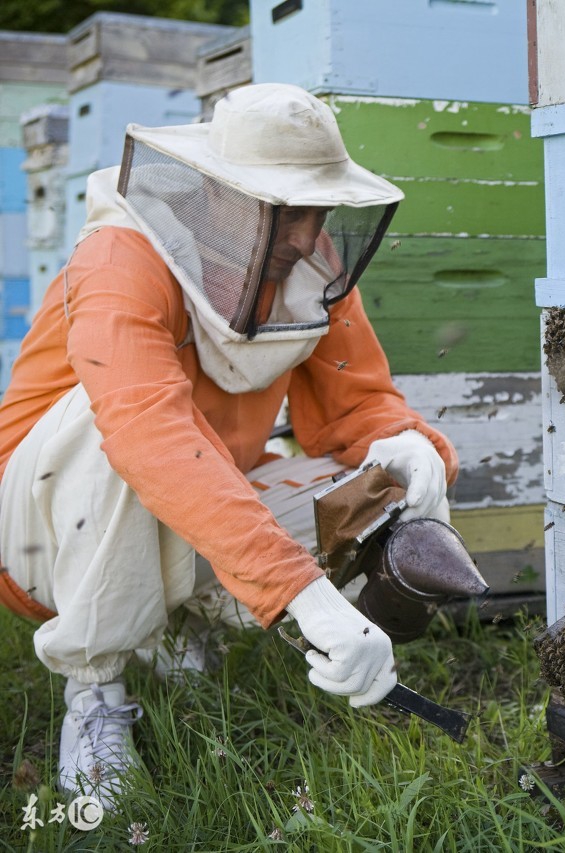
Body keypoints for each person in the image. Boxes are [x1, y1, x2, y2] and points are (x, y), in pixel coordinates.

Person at [0, 83, 458, 809]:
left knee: (376, 482)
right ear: (220, 194)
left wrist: (407, 444)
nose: (309, 236)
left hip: (192, 489)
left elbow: (356, 404)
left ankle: (170, 622)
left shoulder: (310, 270)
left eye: (320, 210)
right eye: (288, 211)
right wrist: (300, 591)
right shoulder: (121, 258)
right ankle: (93, 690)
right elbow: (148, 435)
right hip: (35, 533)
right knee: (115, 420)